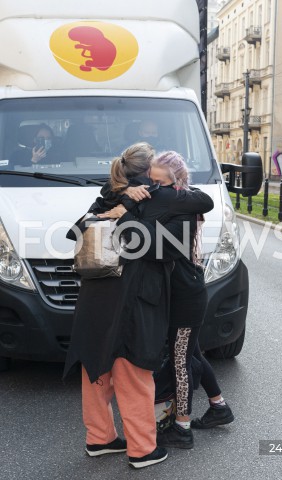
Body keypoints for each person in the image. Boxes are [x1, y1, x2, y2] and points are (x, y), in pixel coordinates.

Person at [63, 142, 214, 469]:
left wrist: (117, 213)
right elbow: (169, 247)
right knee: (132, 370)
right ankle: (143, 448)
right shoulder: (164, 201)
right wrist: (130, 215)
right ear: (152, 174)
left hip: (94, 298)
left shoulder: (107, 196)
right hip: (134, 299)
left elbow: (75, 233)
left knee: (96, 366)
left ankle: (99, 439)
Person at [100, 150, 234, 450]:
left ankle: (182, 429)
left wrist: (130, 216)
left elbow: (161, 242)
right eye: (151, 180)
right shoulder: (164, 198)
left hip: (186, 295)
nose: (154, 186)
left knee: (181, 361)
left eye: (160, 181)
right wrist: (127, 194)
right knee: (191, 353)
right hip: (181, 292)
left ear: (174, 181)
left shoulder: (181, 204)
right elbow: (109, 192)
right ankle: (218, 406)